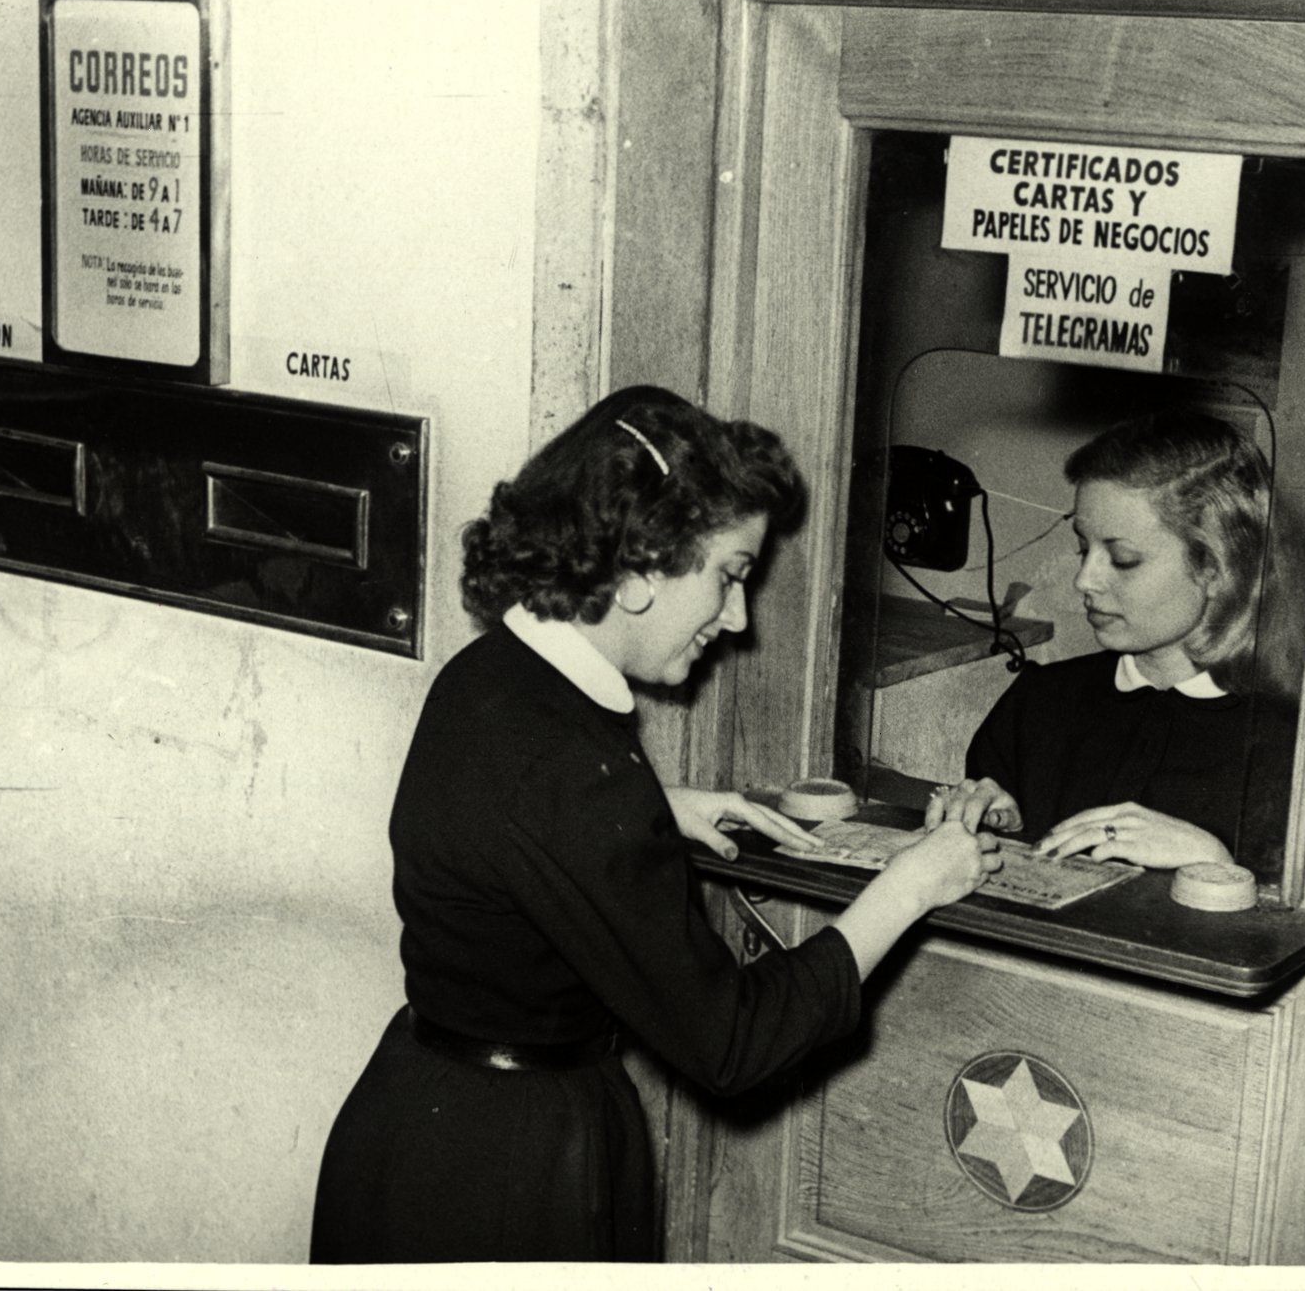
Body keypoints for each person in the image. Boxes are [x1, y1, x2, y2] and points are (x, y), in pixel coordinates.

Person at [311, 385, 999, 1263]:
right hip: (516, 1168)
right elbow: (734, 1044)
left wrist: (652, 809)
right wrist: (908, 888)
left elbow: (505, 822)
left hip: (416, 1124)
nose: (737, 617)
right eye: (731, 575)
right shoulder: (576, 777)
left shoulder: (491, 675)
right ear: (636, 571)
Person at [924, 409, 1301, 880]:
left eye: (1123, 559)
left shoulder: (1295, 748)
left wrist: (1216, 865)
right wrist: (1000, 836)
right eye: (1084, 548)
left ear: (1217, 568)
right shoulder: (1038, 702)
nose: (1084, 579)